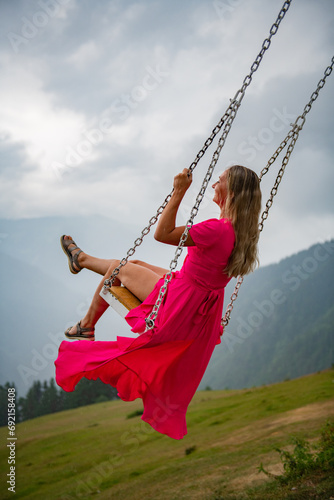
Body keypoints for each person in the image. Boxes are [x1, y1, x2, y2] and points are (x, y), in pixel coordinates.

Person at [55, 165, 261, 439]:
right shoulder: (241, 232)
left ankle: (84, 294)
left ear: (231, 193)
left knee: (119, 269)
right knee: (135, 264)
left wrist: (179, 191)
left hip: (181, 303)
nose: (213, 184)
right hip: (197, 297)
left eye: (219, 181)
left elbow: (162, 234)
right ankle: (83, 301)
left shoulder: (216, 229)